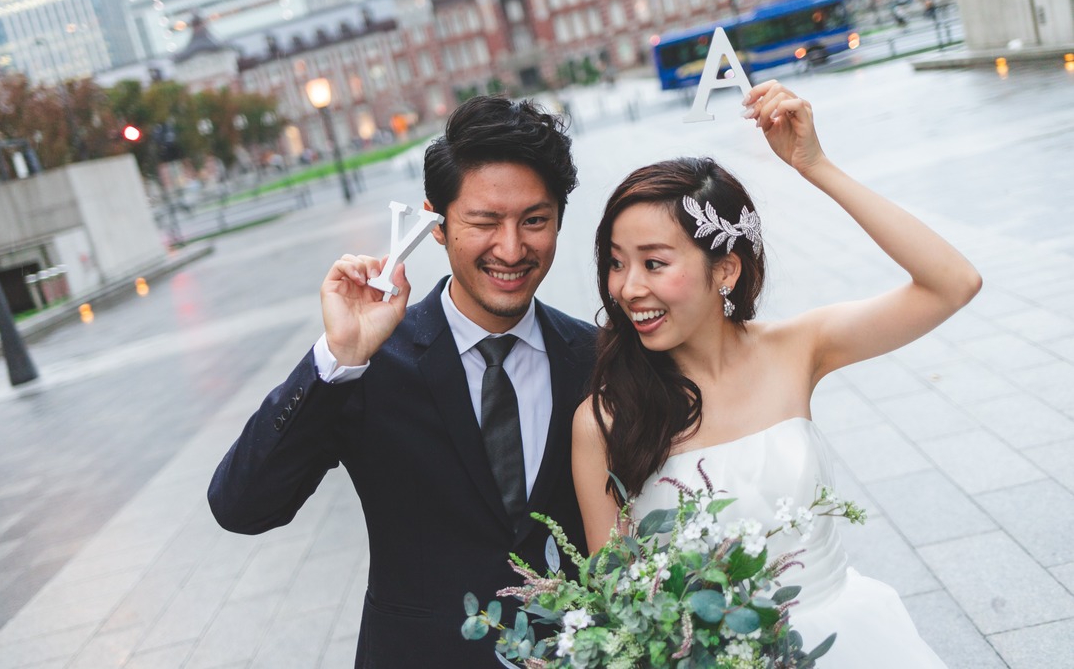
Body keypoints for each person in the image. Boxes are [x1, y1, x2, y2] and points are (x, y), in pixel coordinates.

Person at [573, 80, 981, 666]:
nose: (628, 288)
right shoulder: (605, 420)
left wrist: (816, 166)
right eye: (615, 263)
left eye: (654, 263)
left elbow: (953, 283)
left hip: (851, 643)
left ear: (726, 270)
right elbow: (619, 608)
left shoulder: (800, 348)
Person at [208, 96, 596, 668]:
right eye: (484, 222)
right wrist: (337, 358)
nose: (511, 249)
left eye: (533, 221)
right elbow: (241, 507)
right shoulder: (368, 365)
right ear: (436, 224)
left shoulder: (596, 358)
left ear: (558, 220)